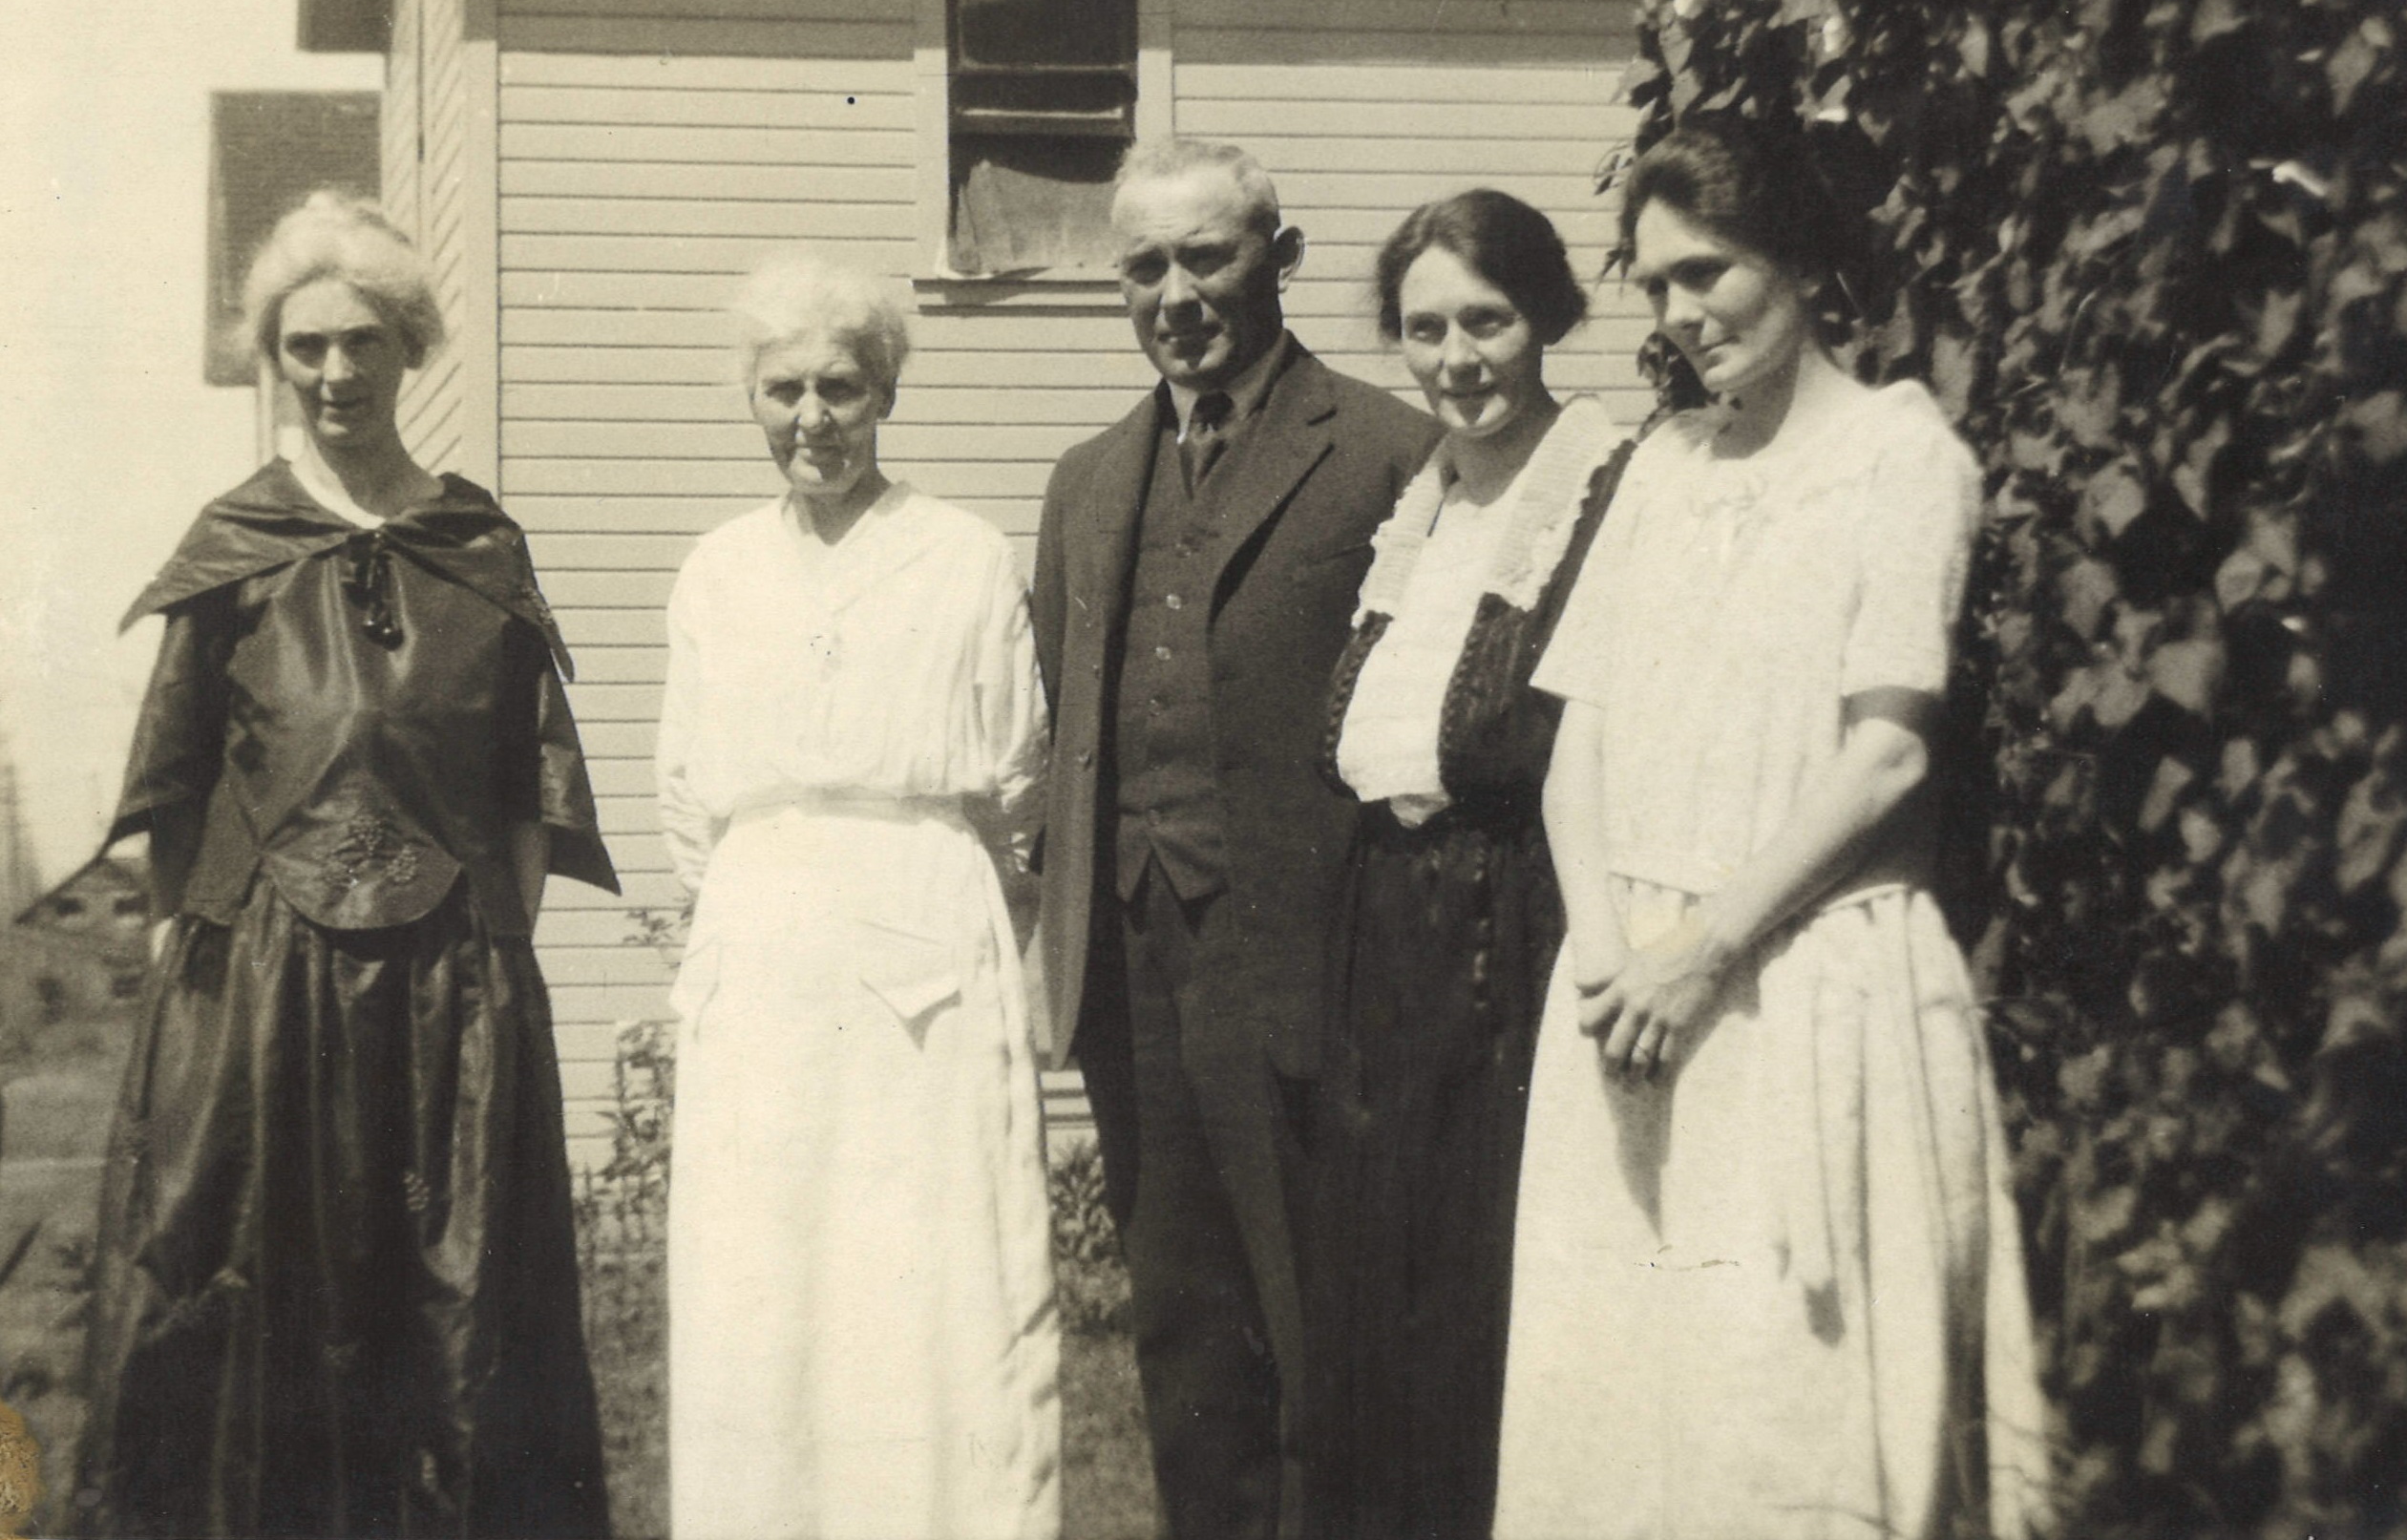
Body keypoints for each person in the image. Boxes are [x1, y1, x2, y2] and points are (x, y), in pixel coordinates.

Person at [1493, 121, 2051, 1540]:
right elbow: (1578, 742)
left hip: (1804, 984)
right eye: (1657, 282)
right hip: (1628, 1005)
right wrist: (1615, 956)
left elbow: (1885, 752)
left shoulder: (1896, 454)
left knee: (1781, 1423)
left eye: (1710, 272)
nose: (1681, 314)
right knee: (1615, 1421)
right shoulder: (1661, 463)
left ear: (1803, 262)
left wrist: (1707, 947)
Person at [76, 195, 618, 1540]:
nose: (332, 373)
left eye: (360, 342)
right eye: (304, 345)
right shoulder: (237, 545)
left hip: (448, 997)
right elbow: (173, 784)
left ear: (408, 347)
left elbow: (527, 789)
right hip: (265, 995)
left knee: (451, 1316)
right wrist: (194, 985)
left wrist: (486, 949)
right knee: (249, 1301)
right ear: (275, 355)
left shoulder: (477, 545)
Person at [1032, 139, 1436, 1540]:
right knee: (1184, 1336)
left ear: (1281, 255)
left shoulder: (1387, 450)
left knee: (1322, 1331)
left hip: (1308, 965)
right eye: (1143, 264)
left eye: (1206, 256)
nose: (1176, 293)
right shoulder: (1088, 481)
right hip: (1131, 965)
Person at [656, 255, 1057, 1540]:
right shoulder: (715, 569)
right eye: (784, 389)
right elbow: (683, 795)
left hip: (925, 936)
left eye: (841, 385)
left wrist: (951, 909)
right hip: (761, 941)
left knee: (928, 1265)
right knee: (760, 1272)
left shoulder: (961, 554)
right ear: (749, 397)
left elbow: (1019, 773)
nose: (812, 416)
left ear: (886, 389)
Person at [1304, 192, 1631, 1540]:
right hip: (1385, 922)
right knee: (1383, 1280)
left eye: (1484, 319)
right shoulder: (1421, 504)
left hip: (1523, 920)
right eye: (1423, 327)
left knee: (1493, 1276)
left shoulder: (1607, 482)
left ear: (1545, 313)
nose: (1454, 355)